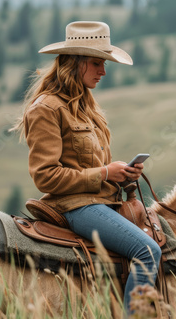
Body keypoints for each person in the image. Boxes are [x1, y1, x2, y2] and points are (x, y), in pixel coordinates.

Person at [12, 21, 162, 313]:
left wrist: (122, 174)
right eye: (96, 63)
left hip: (100, 201)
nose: (103, 71)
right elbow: (46, 176)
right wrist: (106, 173)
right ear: (75, 63)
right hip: (76, 207)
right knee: (147, 250)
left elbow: (88, 164)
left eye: (104, 64)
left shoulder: (86, 105)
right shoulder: (47, 108)